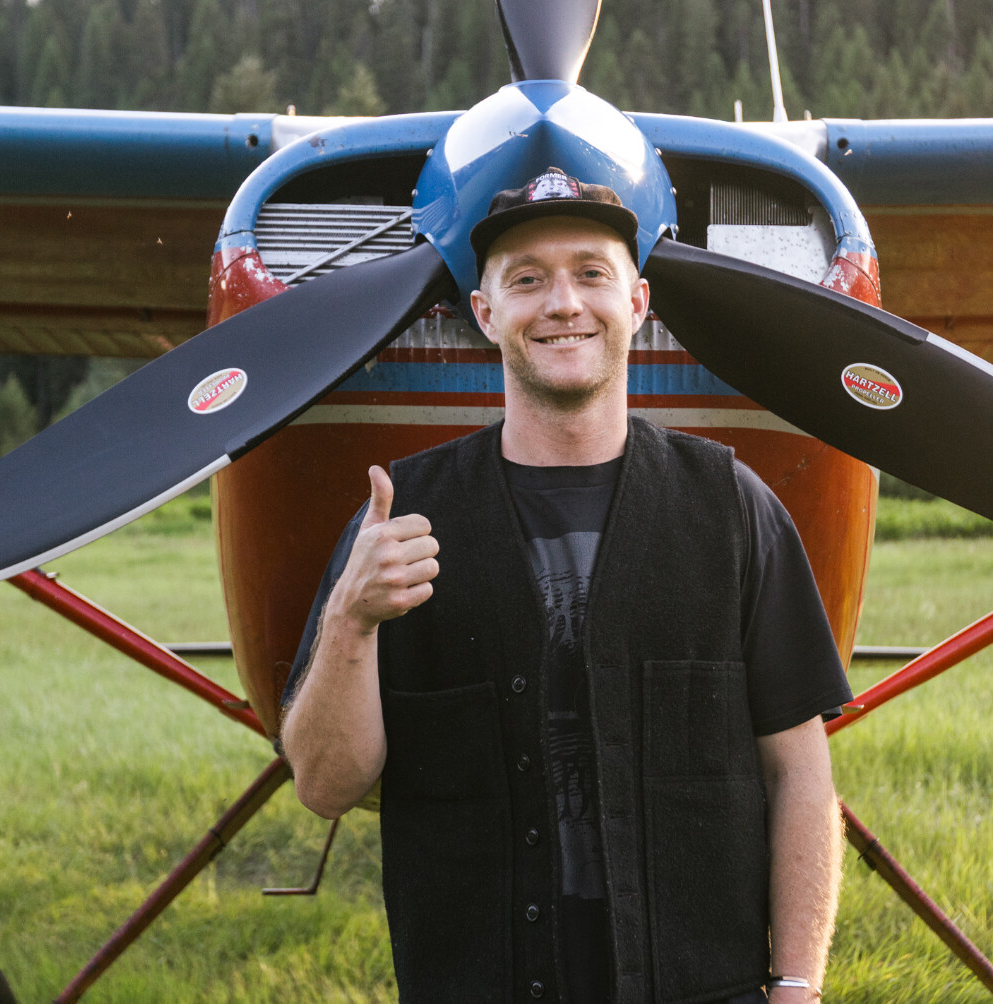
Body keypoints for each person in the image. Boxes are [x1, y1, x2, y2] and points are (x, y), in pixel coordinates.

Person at [279, 167, 851, 1004]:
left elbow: (799, 771)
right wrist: (350, 621)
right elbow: (326, 787)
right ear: (485, 314)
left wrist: (798, 983)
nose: (563, 304)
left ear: (639, 301)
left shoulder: (734, 508)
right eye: (527, 280)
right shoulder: (397, 523)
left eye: (592, 273)